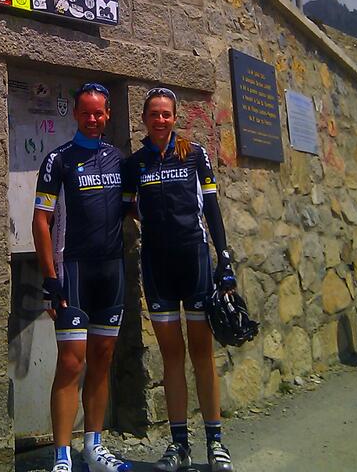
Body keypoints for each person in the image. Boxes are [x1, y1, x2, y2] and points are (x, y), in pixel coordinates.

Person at [122, 87, 236, 472]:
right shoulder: (135, 164)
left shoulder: (195, 154)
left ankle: (215, 442)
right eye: (154, 114)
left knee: (202, 353)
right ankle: (179, 445)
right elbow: (127, 208)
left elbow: (212, 209)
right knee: (172, 356)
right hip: (158, 268)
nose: (160, 120)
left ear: (175, 117)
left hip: (195, 263)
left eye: (166, 114)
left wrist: (224, 258)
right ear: (144, 119)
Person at [32, 83, 130, 472]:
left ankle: (94, 447)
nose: (92, 118)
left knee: (102, 360)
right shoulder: (58, 160)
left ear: (108, 115)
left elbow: (134, 206)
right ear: (74, 113)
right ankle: (62, 455)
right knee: (72, 363)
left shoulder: (118, 159)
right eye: (85, 112)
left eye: (98, 112)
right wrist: (50, 278)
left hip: (111, 272)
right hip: (72, 271)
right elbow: (41, 221)